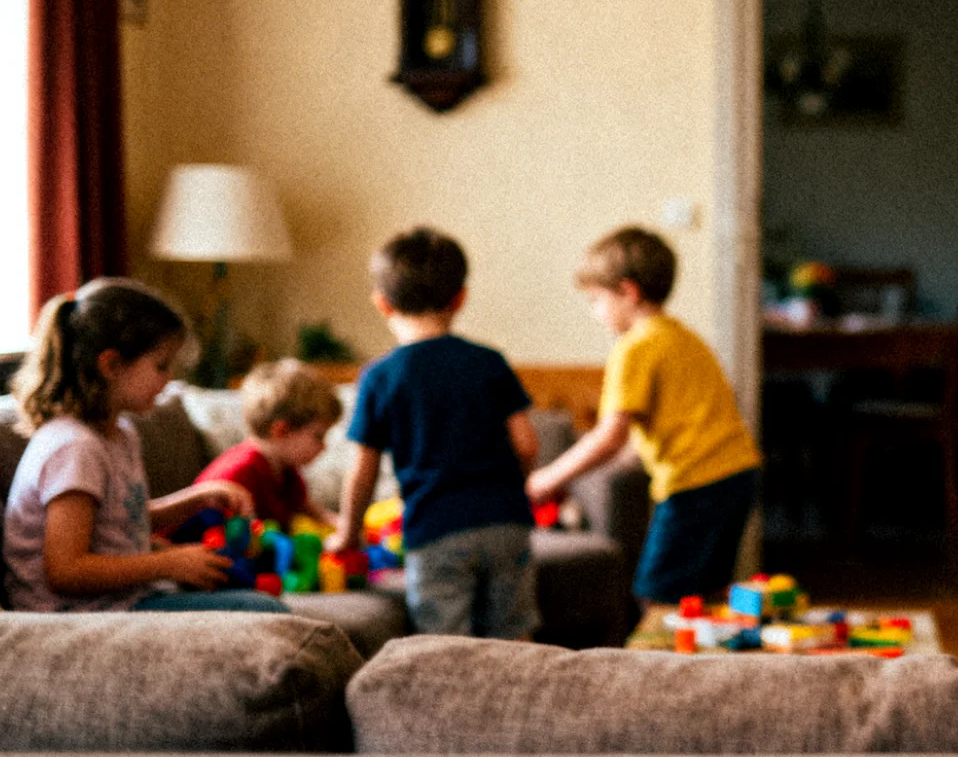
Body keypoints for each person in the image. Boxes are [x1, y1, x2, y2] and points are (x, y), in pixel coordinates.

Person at [3, 279, 287, 614]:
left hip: (119, 600)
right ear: (111, 365)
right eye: (161, 365)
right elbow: (66, 570)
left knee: (246, 592)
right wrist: (166, 564)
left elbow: (122, 518)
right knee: (265, 612)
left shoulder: (119, 434)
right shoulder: (74, 448)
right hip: (74, 614)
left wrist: (197, 499)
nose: (169, 379)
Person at [527, 226, 762, 605]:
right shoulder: (683, 337)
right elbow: (669, 422)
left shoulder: (634, 347)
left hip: (695, 484)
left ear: (628, 292)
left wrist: (548, 477)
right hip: (739, 474)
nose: (594, 312)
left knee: (657, 596)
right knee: (707, 595)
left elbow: (610, 436)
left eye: (596, 300)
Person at [326, 227, 540, 639]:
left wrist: (348, 534)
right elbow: (527, 445)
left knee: (445, 646)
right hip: (506, 523)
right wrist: (513, 488)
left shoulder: (380, 377)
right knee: (515, 639)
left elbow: (363, 472)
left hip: (436, 531)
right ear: (460, 298)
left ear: (382, 303)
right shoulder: (489, 362)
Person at [193, 358, 342, 531]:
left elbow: (311, 511)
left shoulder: (286, 471)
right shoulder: (238, 473)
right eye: (319, 436)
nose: (323, 447)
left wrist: (346, 528)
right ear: (281, 430)